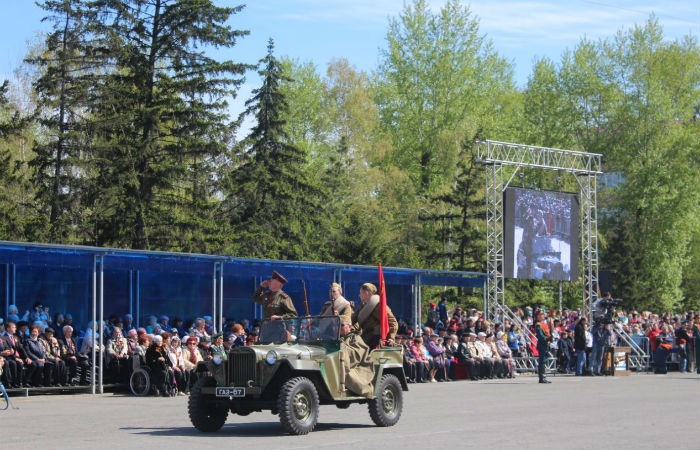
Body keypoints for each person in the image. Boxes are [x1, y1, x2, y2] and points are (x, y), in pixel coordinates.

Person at [351, 283, 398, 348]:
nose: (359, 295)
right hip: (365, 336)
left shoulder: (380, 306)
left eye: (361, 293)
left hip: (376, 339)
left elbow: (393, 322)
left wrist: (391, 337)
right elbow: (353, 318)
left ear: (366, 293)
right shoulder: (362, 306)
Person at [339, 320, 374, 398]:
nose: (339, 327)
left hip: (358, 366)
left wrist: (341, 346)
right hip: (340, 365)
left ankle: (368, 392)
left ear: (350, 327)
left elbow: (357, 355)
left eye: (342, 325)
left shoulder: (355, 337)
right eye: (337, 325)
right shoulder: (338, 338)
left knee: (348, 376)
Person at [534, 310, 552, 383]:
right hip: (542, 344)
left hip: (546, 344)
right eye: (541, 314)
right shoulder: (538, 325)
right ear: (537, 316)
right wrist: (547, 339)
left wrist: (550, 339)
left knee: (544, 361)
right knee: (542, 361)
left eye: (543, 314)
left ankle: (543, 377)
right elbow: (540, 336)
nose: (542, 316)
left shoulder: (545, 324)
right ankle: (541, 378)